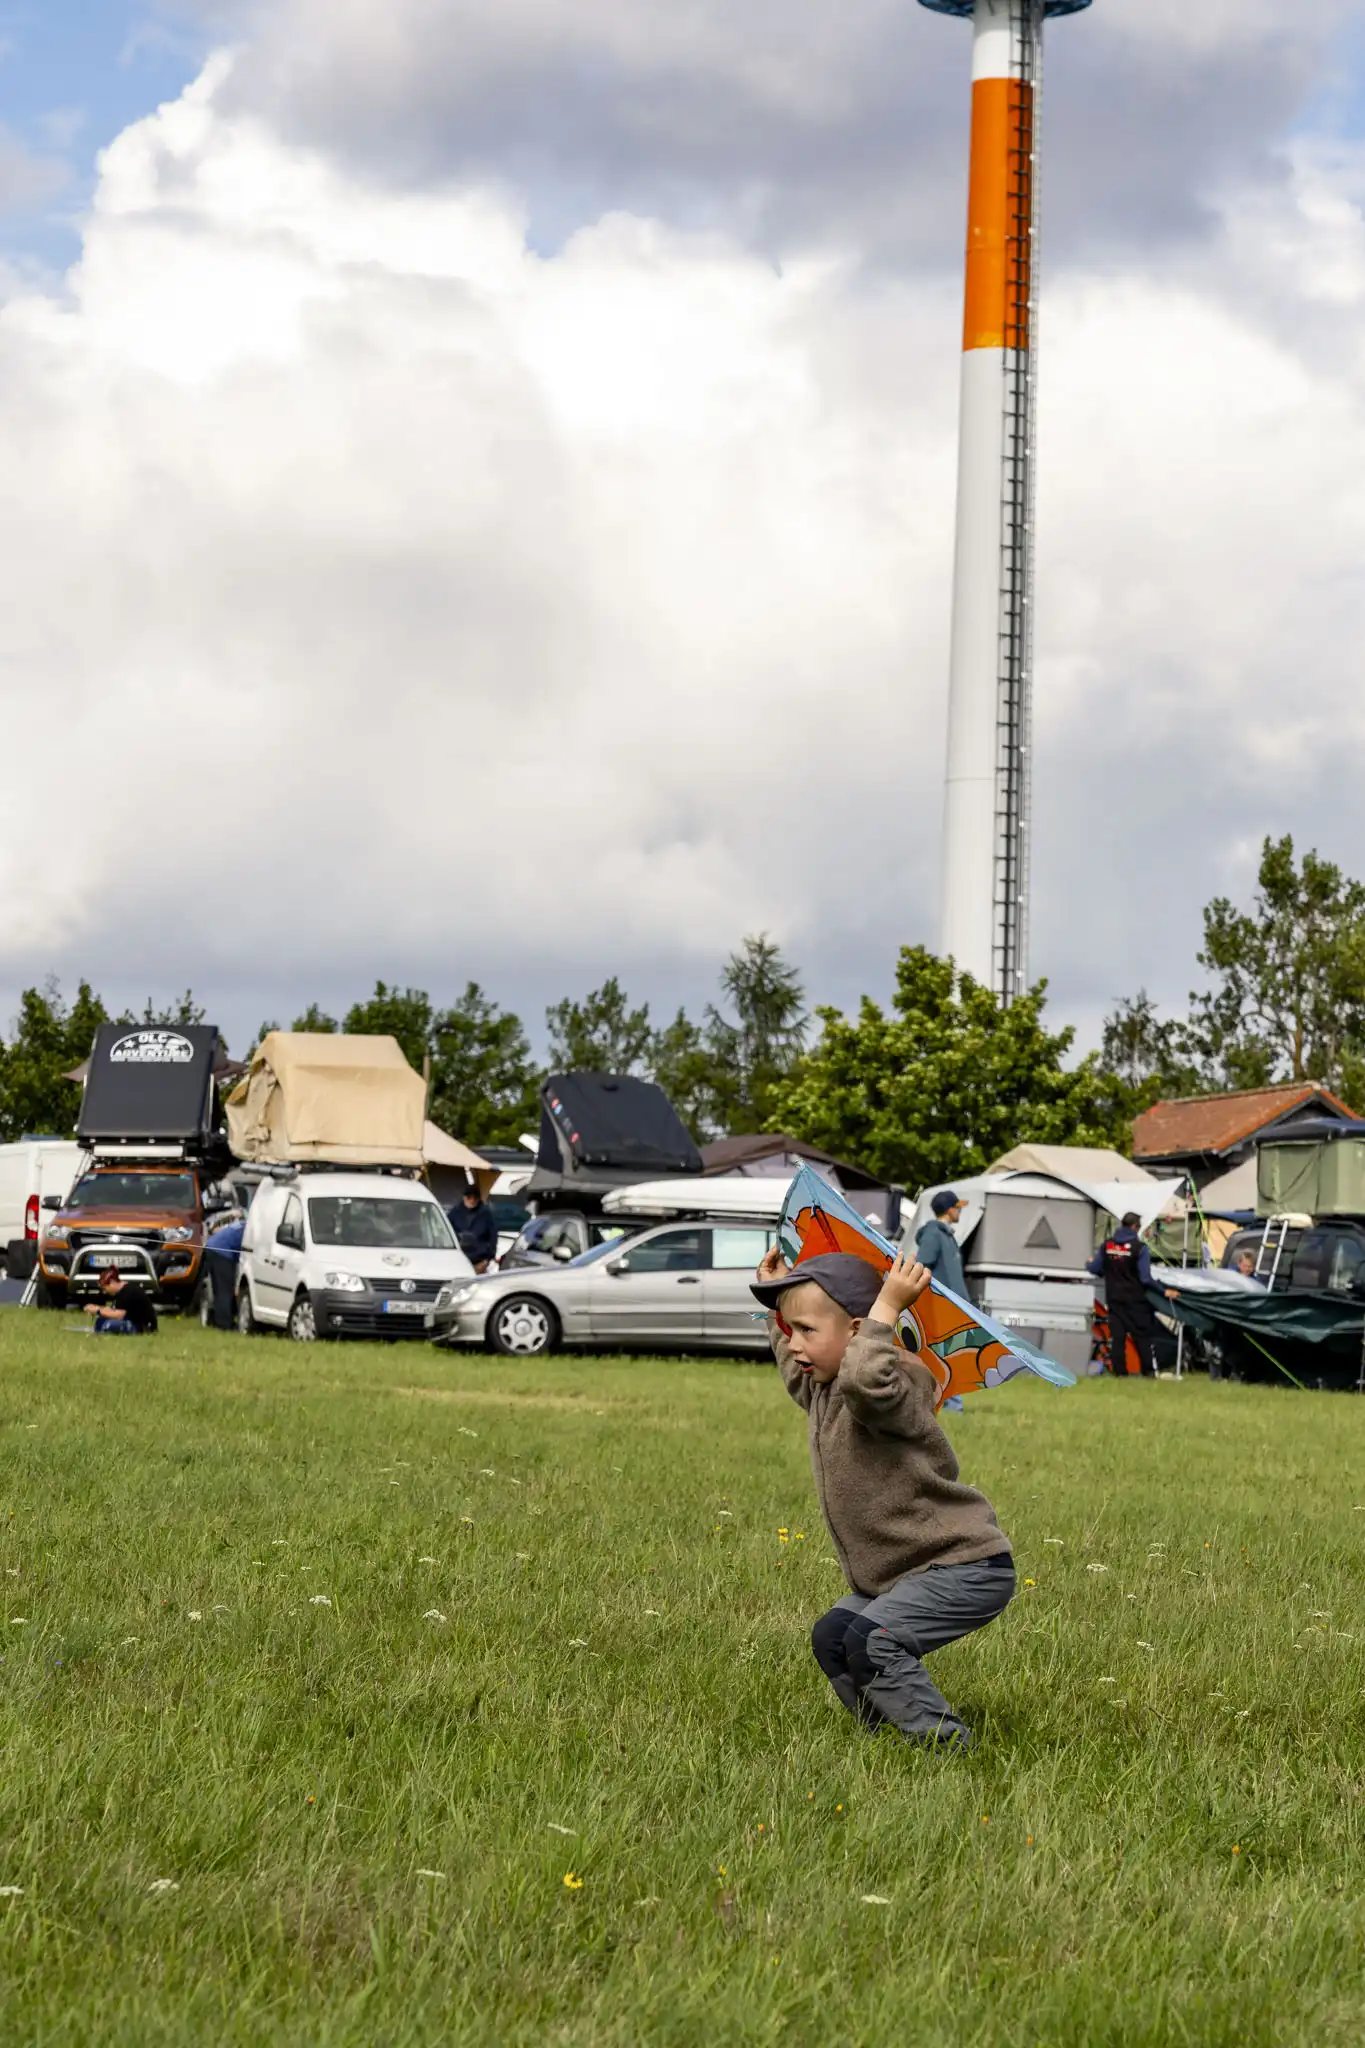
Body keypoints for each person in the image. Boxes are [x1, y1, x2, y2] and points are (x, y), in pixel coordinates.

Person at [752, 1246, 1015, 1752]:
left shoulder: (895, 1385)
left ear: (856, 1332)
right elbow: (798, 1368)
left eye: (808, 1330)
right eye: (792, 1331)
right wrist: (776, 1308)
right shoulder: (825, 1388)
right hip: (906, 1572)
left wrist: (887, 1309)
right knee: (835, 1636)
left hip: (961, 1566)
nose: (796, 1344)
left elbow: (865, 1378)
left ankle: (946, 1747)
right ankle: (887, 1737)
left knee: (873, 1641)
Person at [916, 1190, 969, 1412]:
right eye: (958, 1207)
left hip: (954, 1305)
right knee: (946, 1355)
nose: (960, 1210)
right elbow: (922, 1264)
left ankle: (948, 1403)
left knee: (952, 1355)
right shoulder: (933, 1234)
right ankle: (949, 1405)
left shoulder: (946, 1234)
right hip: (940, 1306)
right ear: (949, 1209)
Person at [1088, 1212, 1157, 1377]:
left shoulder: (1107, 1246)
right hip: (1136, 1301)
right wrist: (1160, 1289)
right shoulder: (1140, 1248)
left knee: (1118, 1339)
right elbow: (1145, 1278)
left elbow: (1095, 1269)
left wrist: (1088, 1263)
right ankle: (1148, 1373)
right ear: (1134, 1227)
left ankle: (1120, 1374)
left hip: (1114, 1300)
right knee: (1141, 1338)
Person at [85, 1267, 158, 1336]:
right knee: (101, 1320)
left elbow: (119, 1315)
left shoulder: (128, 1292)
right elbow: (113, 1310)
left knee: (111, 1324)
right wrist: (97, 1308)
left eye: (105, 1288)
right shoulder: (120, 1292)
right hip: (130, 1321)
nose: (104, 1292)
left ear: (112, 1282)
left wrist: (98, 1311)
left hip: (142, 1326)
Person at [204, 1214, 246, 1331]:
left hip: (212, 1246)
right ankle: (224, 1324)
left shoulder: (244, 1225)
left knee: (218, 1289)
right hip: (221, 1251)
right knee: (225, 1290)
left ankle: (214, 1319)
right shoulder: (250, 1230)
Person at [450, 1183, 497, 1272]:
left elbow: (493, 1237)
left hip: (479, 1261)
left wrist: (487, 1260)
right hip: (458, 1260)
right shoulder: (454, 1213)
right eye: (469, 1197)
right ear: (464, 1197)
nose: (472, 1200)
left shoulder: (486, 1214)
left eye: (475, 1198)